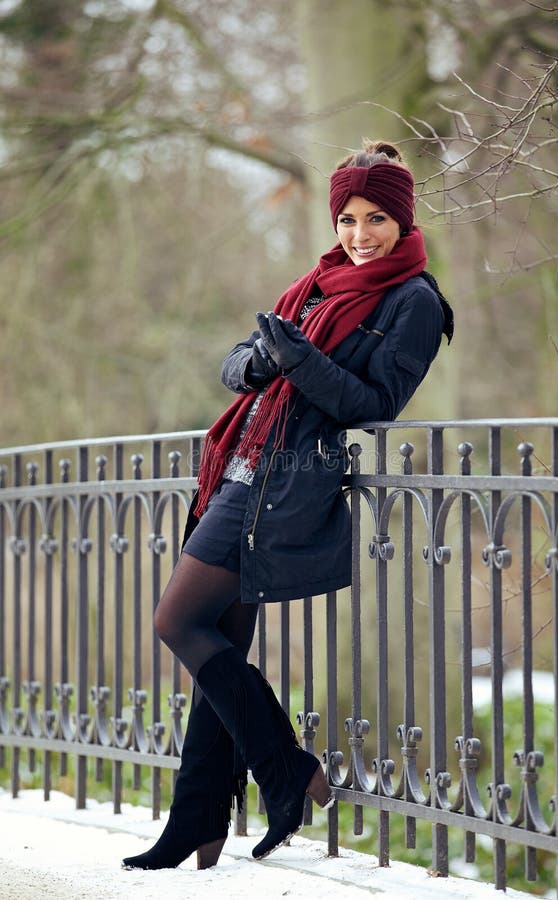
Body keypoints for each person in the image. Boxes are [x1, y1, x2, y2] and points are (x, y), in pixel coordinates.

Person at [122, 139, 453, 871]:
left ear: (402, 221)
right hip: (236, 471)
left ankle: (287, 769)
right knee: (219, 648)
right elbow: (235, 366)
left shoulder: (415, 301)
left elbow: (376, 403)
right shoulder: (313, 284)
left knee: (178, 620)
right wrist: (266, 360)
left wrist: (301, 362)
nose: (360, 235)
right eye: (347, 219)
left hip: (288, 487)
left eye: (375, 219)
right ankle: (197, 822)